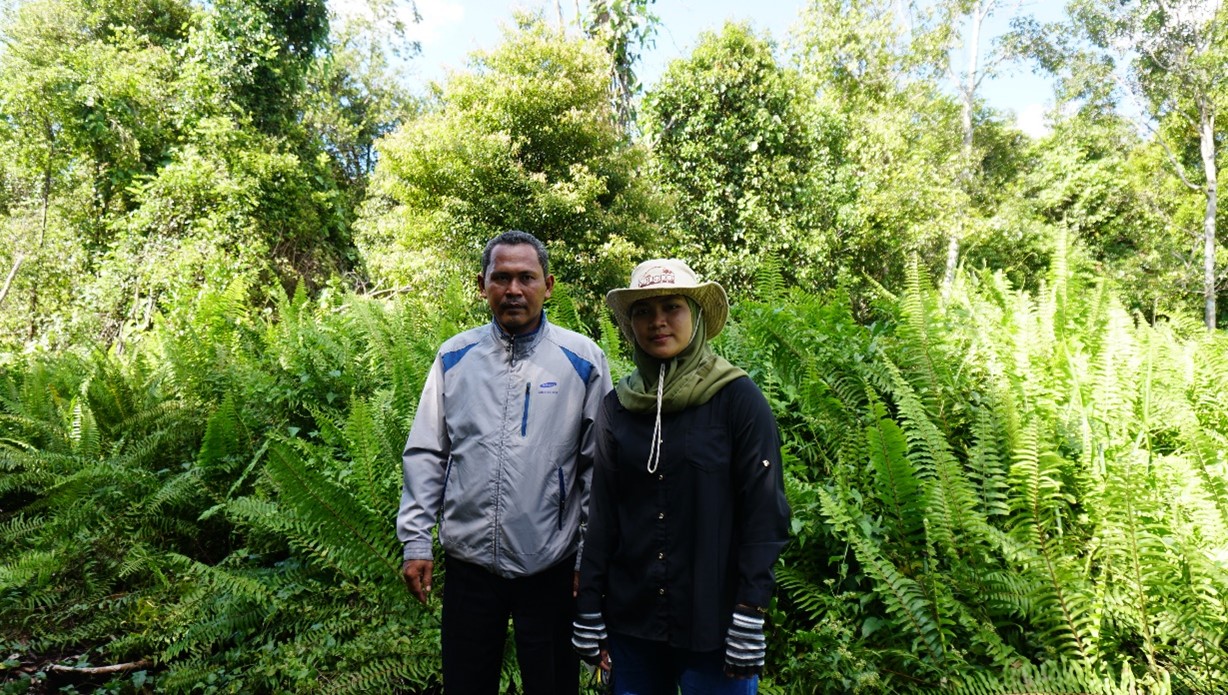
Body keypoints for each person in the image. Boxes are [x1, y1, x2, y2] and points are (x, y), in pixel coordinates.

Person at [398, 230, 611, 695]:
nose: (513, 289)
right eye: (502, 277)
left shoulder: (584, 360)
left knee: (552, 686)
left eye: (526, 278)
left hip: (550, 565)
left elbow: (599, 469)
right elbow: (427, 452)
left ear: (548, 285)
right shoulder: (455, 358)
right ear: (482, 285)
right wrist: (416, 541)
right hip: (469, 562)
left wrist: (587, 558)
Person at [572, 259, 791, 694]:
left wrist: (751, 609)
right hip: (632, 625)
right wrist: (588, 606)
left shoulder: (738, 400)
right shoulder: (618, 407)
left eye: (671, 307)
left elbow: (764, 514)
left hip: (716, 624)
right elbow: (603, 517)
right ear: (630, 324)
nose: (657, 322)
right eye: (642, 311)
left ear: (696, 315)